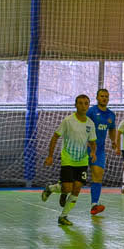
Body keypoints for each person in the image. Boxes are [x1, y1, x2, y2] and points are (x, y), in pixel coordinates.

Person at [42, 89, 119, 215]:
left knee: (97, 175)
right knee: (69, 185)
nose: (104, 98)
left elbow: (112, 129)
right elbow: (81, 123)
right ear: (97, 98)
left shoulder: (111, 115)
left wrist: (113, 141)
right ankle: (63, 191)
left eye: (106, 96)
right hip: (81, 149)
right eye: (101, 96)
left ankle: (94, 204)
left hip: (97, 150)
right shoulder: (91, 111)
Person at [43, 94, 97, 226]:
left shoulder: (90, 123)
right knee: (67, 187)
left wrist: (93, 152)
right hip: (68, 159)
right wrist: (50, 156)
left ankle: (63, 216)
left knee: (77, 188)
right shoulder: (68, 121)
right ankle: (50, 188)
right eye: (80, 103)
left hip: (82, 161)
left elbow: (92, 141)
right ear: (75, 105)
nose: (83, 106)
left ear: (88, 106)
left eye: (86, 103)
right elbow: (55, 137)